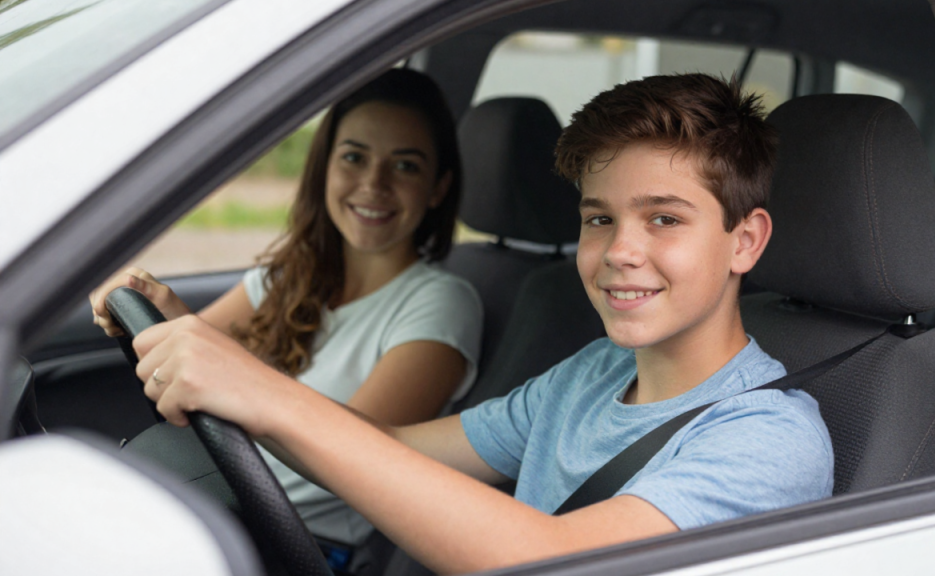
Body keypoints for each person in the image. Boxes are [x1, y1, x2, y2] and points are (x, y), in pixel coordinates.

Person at [120, 73, 833, 575]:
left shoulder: (769, 437)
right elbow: (387, 448)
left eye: (664, 219)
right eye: (598, 218)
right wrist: (233, 381)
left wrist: (265, 393)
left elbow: (550, 561)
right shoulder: (591, 375)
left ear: (745, 240)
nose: (620, 251)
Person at [90, 69, 484, 552]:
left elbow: (355, 457)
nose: (373, 184)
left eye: (404, 166)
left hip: (288, 544)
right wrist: (150, 300)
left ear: (438, 188)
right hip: (207, 505)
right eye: (354, 158)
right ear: (325, 169)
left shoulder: (440, 302)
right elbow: (181, 349)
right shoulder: (287, 277)